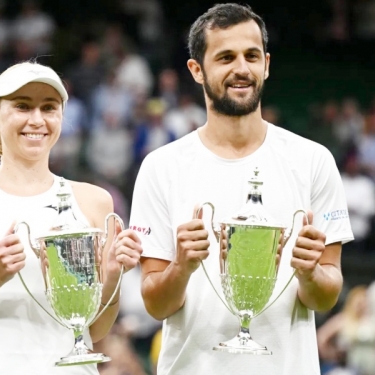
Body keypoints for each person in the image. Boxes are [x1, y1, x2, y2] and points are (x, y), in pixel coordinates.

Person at [129, 4, 354, 374]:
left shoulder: (313, 161)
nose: (241, 69)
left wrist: (311, 273)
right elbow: (156, 304)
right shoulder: (162, 167)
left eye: (251, 56)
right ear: (197, 70)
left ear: (266, 64)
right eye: (226, 57)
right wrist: (181, 268)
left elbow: (326, 296)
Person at [0, 61, 143, 374]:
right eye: (23, 106)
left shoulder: (94, 201)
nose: (37, 119)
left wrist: (112, 274)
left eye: (49, 107)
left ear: (61, 118)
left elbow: (94, 331)